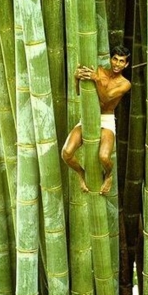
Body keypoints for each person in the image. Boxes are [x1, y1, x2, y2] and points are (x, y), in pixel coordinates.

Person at [62, 45, 131, 194]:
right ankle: (81, 173)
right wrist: (76, 78)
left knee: (104, 157)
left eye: (121, 61)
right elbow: (79, 92)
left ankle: (108, 175)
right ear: (110, 59)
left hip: (106, 119)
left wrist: (96, 80)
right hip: (88, 116)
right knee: (66, 153)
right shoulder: (99, 71)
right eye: (115, 59)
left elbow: (106, 99)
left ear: (126, 64)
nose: (117, 64)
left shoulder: (125, 84)